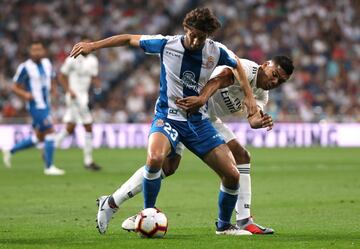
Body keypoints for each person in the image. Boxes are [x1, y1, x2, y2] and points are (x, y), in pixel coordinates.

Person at [70, 7, 258, 235]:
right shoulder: (166, 44)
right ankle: (148, 212)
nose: (197, 40)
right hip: (167, 116)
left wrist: (249, 97)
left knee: (232, 175)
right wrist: (93, 46)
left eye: (202, 36)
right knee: (156, 158)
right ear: (186, 28)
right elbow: (129, 38)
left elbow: (237, 63)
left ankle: (224, 226)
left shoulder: (215, 51)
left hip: (197, 122)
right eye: (194, 34)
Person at [109, 55, 294, 234]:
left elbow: (253, 120)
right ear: (265, 64)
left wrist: (261, 122)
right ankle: (118, 201)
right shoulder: (245, 68)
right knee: (165, 164)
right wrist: (202, 99)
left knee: (241, 155)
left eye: (281, 81)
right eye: (274, 75)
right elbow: (218, 79)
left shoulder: (263, 95)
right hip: (187, 108)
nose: (275, 82)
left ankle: (244, 220)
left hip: (209, 118)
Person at [2, 41, 65, 176]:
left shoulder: (47, 64)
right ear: (30, 52)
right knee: (50, 131)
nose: (37, 53)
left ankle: (10, 150)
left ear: (43, 51)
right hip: (35, 105)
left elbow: (52, 78)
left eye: (39, 50)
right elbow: (14, 86)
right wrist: (25, 94)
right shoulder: (25, 67)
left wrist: (54, 90)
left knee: (39, 137)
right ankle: (49, 167)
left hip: (46, 104)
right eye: (34, 50)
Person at [55, 39, 102, 171]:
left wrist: (97, 84)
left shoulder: (93, 60)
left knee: (70, 128)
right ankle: (88, 161)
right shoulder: (72, 58)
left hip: (84, 97)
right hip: (74, 97)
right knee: (88, 126)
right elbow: (61, 76)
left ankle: (50, 147)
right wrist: (69, 90)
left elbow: (92, 76)